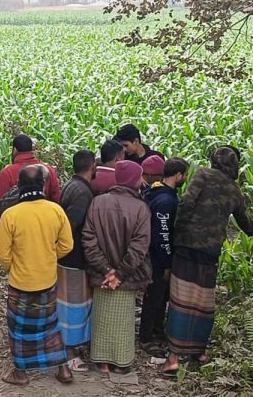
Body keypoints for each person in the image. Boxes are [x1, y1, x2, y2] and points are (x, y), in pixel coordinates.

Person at [162, 147, 253, 375]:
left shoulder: (202, 175)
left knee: (181, 298)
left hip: (187, 246)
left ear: (214, 161)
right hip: (210, 251)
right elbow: (247, 226)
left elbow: (187, 203)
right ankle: (200, 351)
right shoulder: (234, 190)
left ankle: (173, 357)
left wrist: (178, 233)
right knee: (203, 300)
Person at [0, 164, 74, 385]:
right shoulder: (56, 210)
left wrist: (13, 268)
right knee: (50, 326)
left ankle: (21, 374)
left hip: (20, 283)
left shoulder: (10, 215)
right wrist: (49, 257)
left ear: (18, 185)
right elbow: (67, 245)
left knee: (19, 330)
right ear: (43, 184)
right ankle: (63, 369)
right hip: (47, 281)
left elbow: (3, 254)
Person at [82, 160, 152, 374]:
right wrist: (119, 273)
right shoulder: (141, 208)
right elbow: (139, 247)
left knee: (102, 318)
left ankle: (101, 362)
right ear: (132, 180)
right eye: (140, 176)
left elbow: (88, 239)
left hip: (101, 276)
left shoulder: (97, 202)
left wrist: (105, 270)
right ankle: (121, 363)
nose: (142, 180)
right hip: (126, 277)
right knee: (123, 320)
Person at [139, 157, 189, 352]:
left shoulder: (156, 193)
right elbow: (163, 235)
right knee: (154, 298)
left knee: (159, 298)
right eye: (184, 175)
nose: (184, 177)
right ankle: (146, 338)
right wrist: (167, 263)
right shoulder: (166, 201)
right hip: (157, 259)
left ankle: (156, 331)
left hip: (153, 256)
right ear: (178, 175)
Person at [57, 150, 96, 372]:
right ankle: (68, 352)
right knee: (73, 306)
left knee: (68, 304)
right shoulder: (83, 193)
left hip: (68, 256)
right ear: (93, 168)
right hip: (73, 258)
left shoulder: (71, 184)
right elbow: (70, 225)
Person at [0, 134, 61, 237]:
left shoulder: (7, 173)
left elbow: (1, 206)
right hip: (45, 228)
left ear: (14, 150)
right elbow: (56, 199)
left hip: (17, 231)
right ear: (32, 149)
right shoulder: (48, 170)